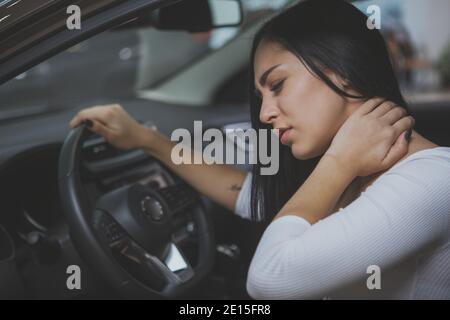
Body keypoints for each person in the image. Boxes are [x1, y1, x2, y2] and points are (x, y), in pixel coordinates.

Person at [69, 0, 450, 299]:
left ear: (343, 70)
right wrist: (145, 139)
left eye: (278, 84)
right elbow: (251, 194)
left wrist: (339, 161)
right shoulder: (359, 171)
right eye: (260, 96)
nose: (266, 113)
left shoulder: (431, 180)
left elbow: (269, 279)